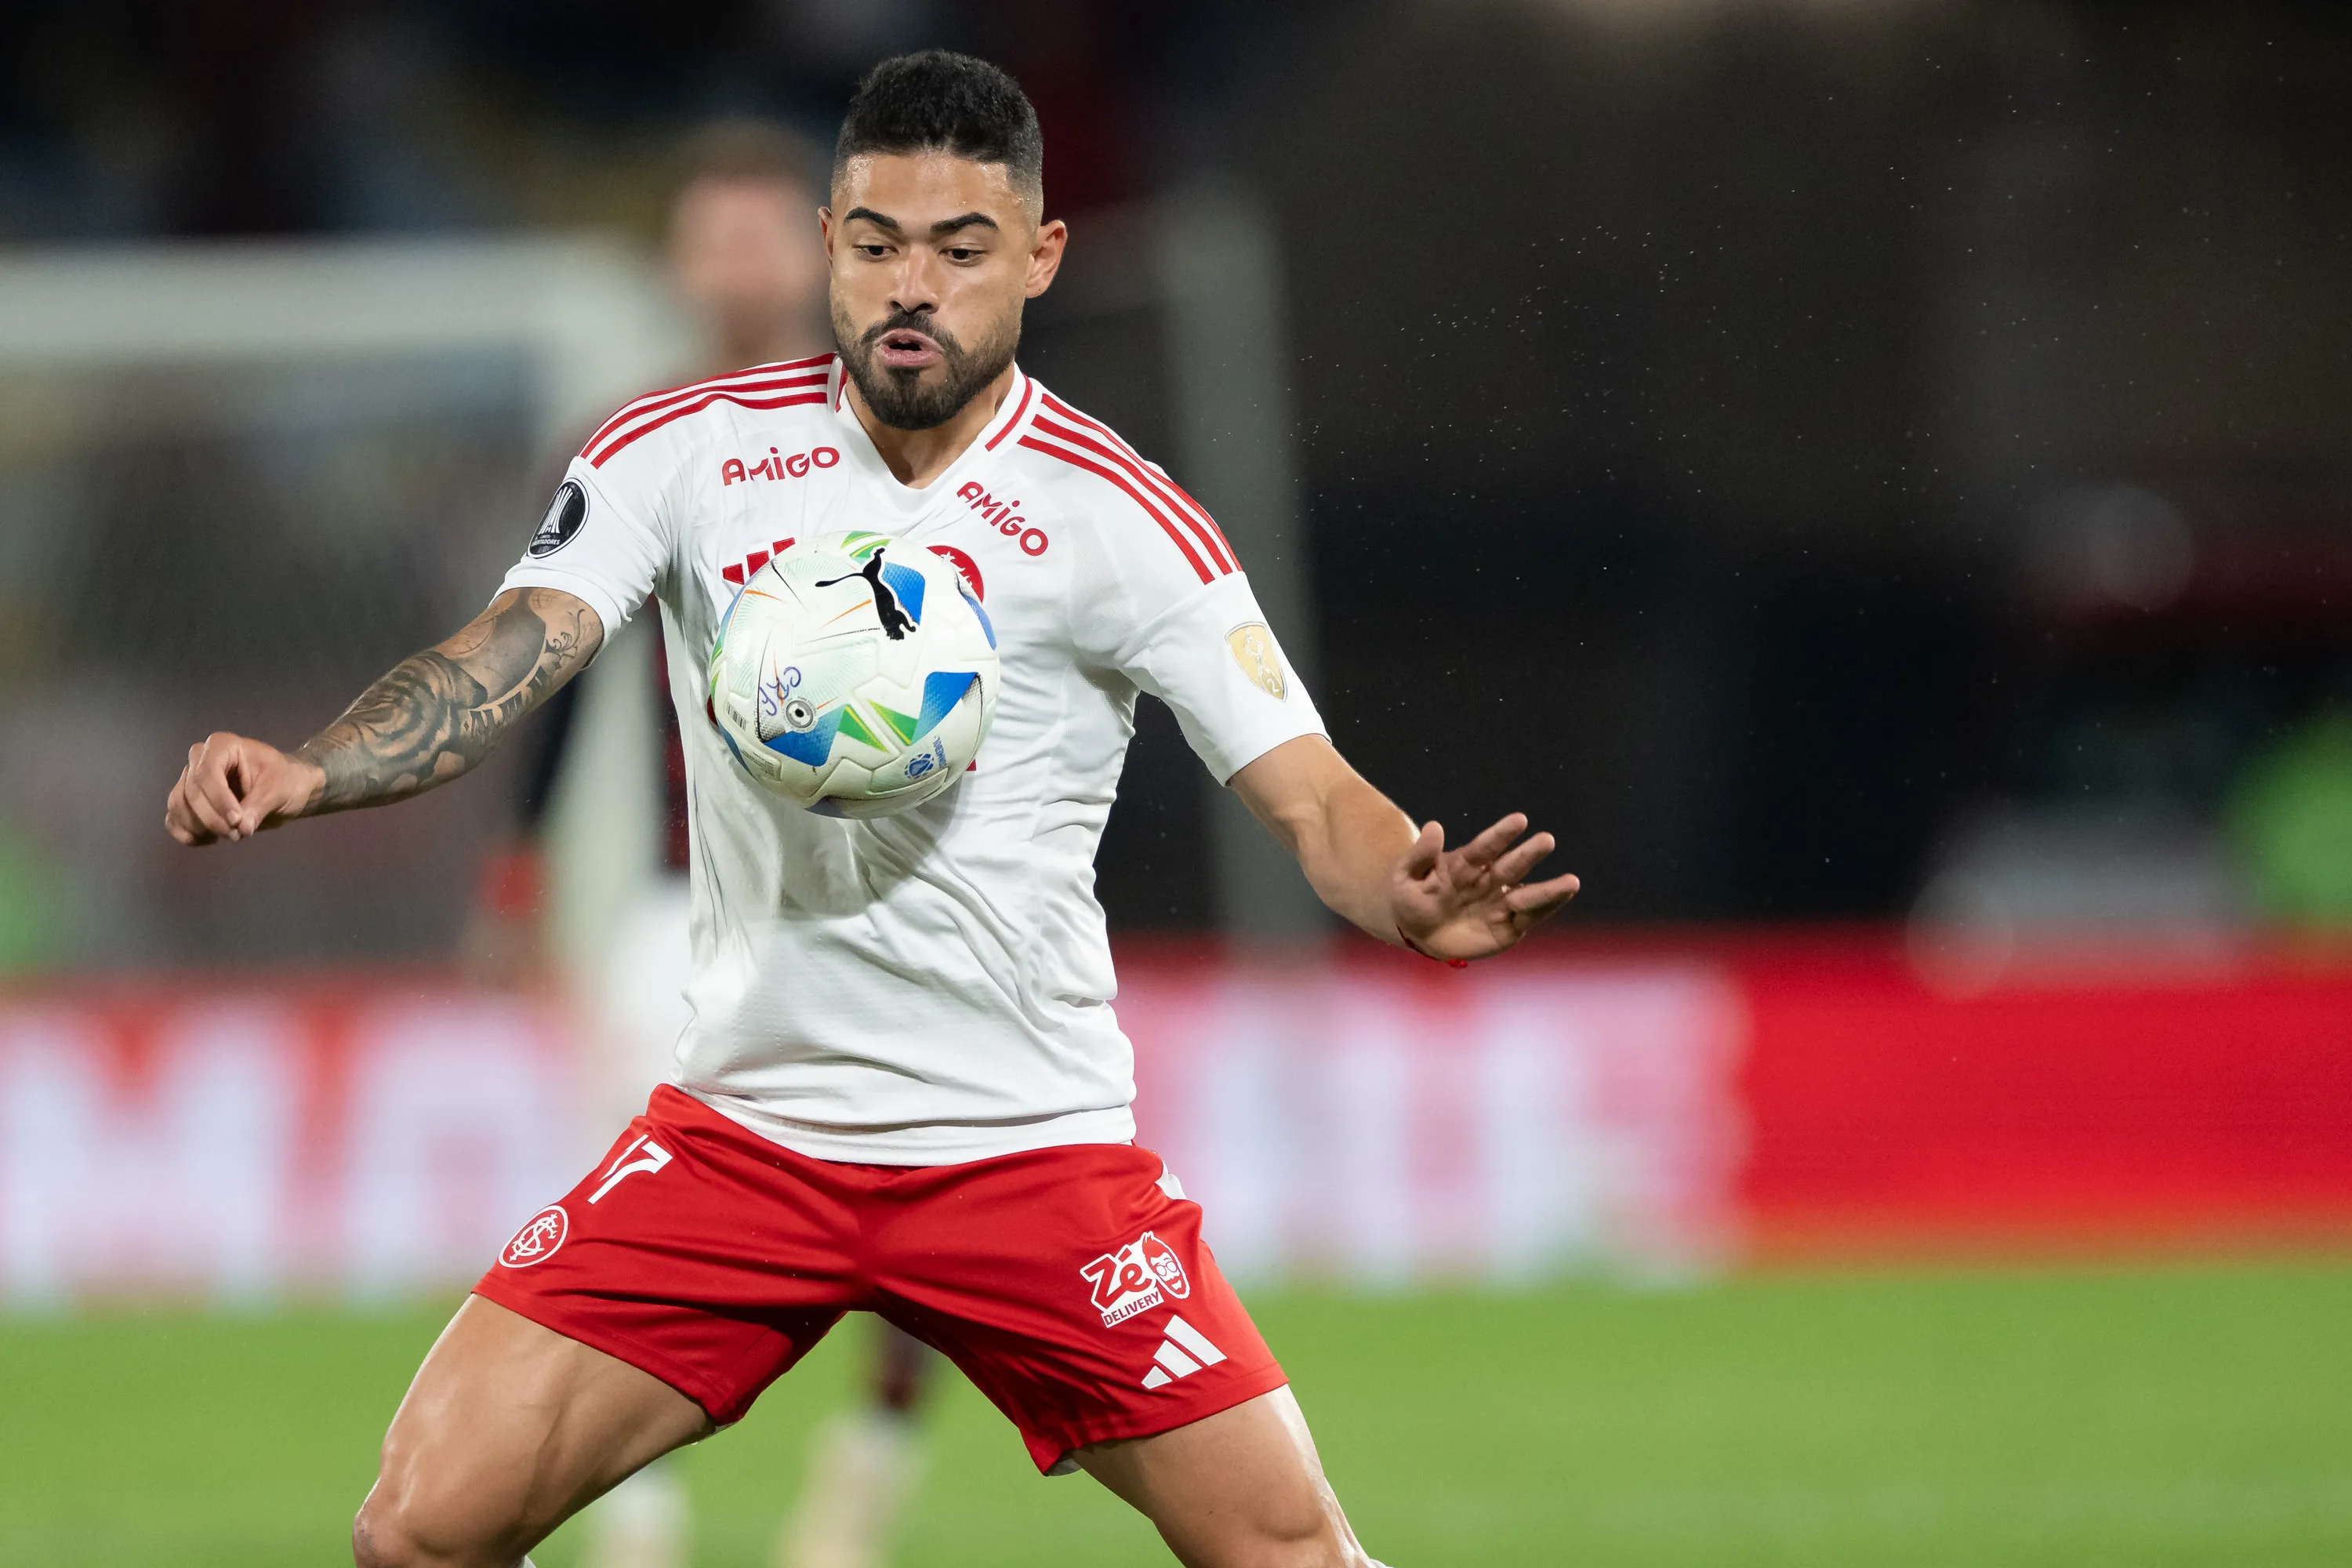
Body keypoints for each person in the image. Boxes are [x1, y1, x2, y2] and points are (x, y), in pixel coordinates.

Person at [163, 50, 1579, 1568]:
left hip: (1025, 1152)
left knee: (1286, 1549)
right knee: (419, 1528)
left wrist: (1407, 893)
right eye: (878, 242)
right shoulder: (681, 453)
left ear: (1038, 257)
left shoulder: (1121, 518)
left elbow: (1314, 799)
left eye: (963, 250)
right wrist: (314, 767)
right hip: (745, 1138)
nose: (915, 286)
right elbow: (510, 653)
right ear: (830, 237)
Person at [508, 118, 942, 1568]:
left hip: (885, 907)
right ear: (681, 261)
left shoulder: (910, 428)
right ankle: (635, 1517)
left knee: (931, 1208)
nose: (740, 259)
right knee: (619, 1215)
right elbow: (549, 656)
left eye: (767, 230)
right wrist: (517, 855)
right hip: (677, 904)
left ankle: (865, 1478)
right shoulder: (644, 446)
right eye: (716, 233)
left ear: (822, 248)